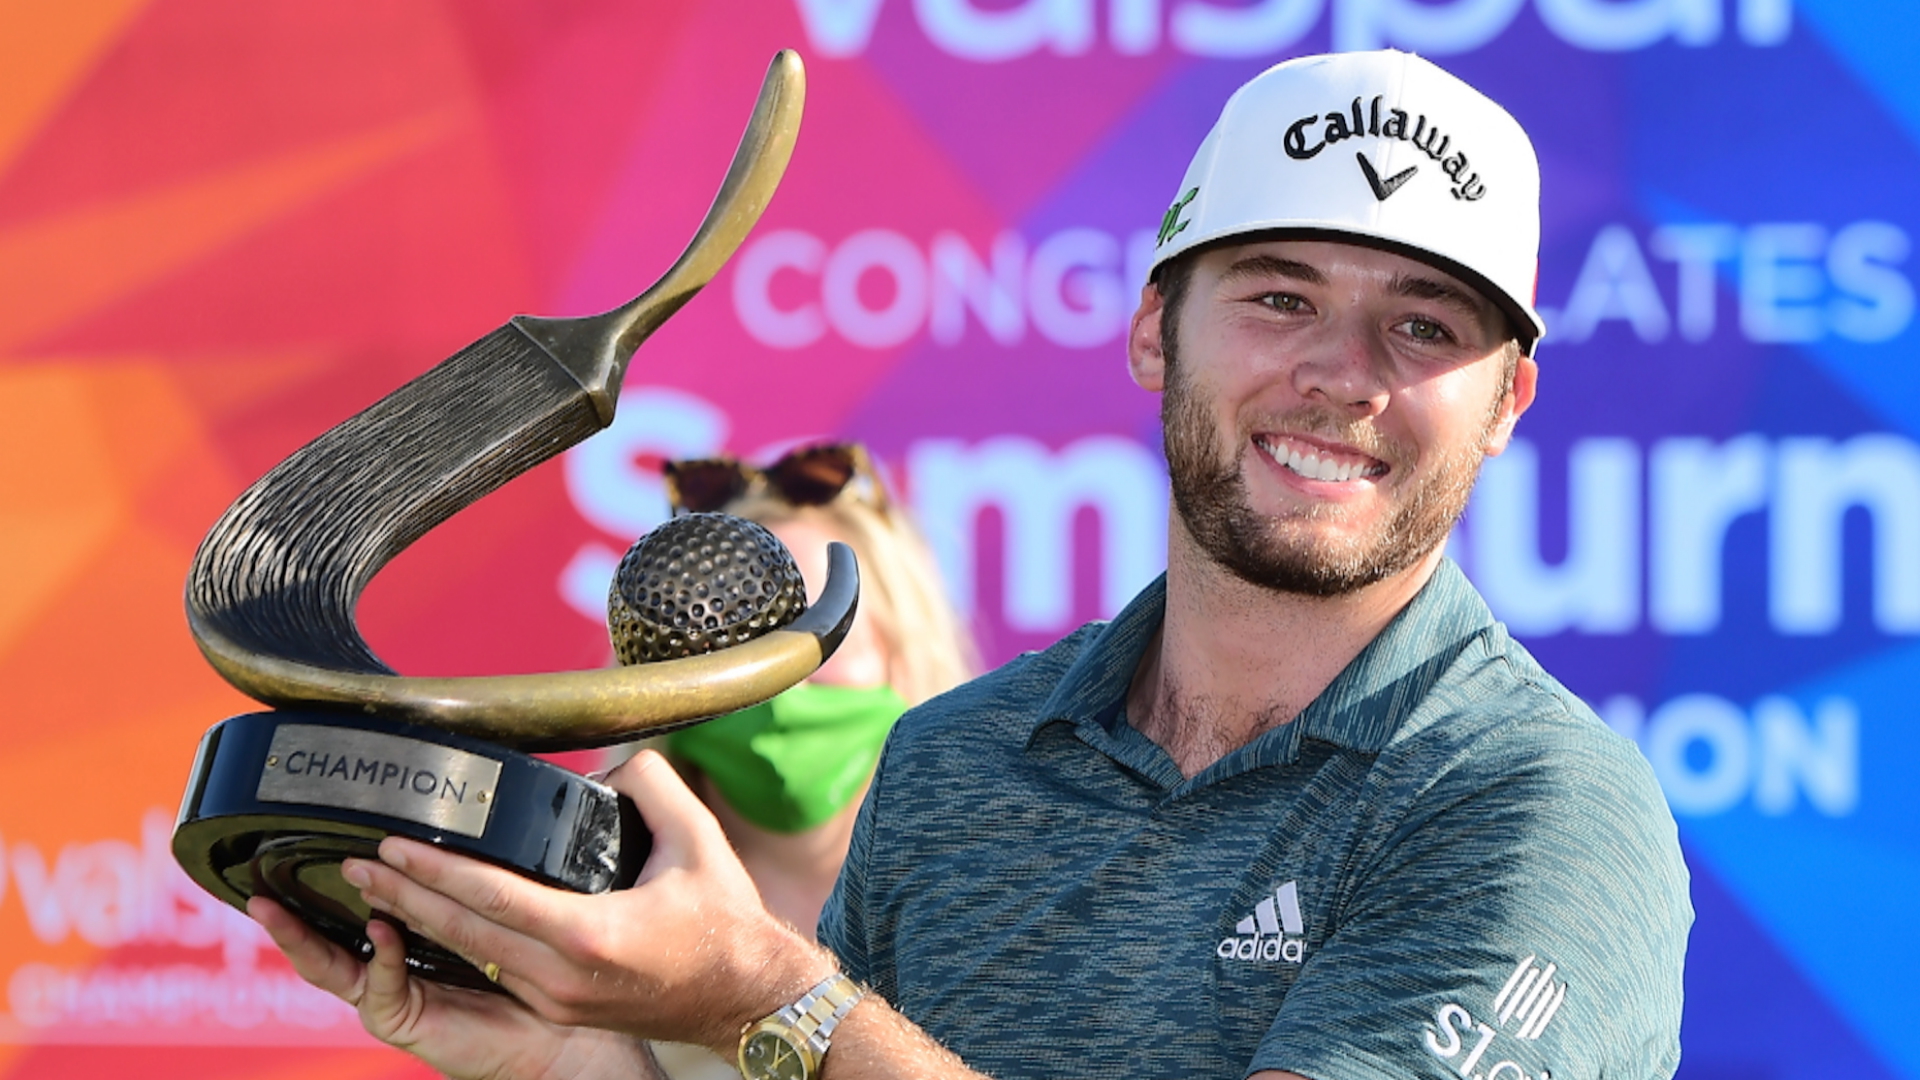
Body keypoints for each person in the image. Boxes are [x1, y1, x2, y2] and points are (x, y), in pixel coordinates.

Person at [253, 49, 1692, 1080]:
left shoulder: (1537, 808)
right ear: (1153, 336)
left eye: (1426, 327)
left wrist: (765, 995)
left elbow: (808, 1039)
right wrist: (570, 1061)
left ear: (1508, 406)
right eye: (1278, 295)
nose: (1343, 374)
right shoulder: (953, 764)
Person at [643, 442, 977, 1079]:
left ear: (901, 651)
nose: (780, 680)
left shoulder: (1011, 903)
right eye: (729, 633)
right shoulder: (596, 915)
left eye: (817, 630)